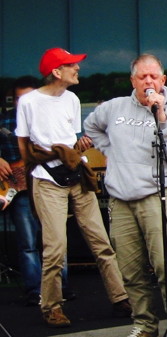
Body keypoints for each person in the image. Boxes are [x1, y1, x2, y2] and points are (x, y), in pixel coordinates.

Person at [14, 47, 131, 328]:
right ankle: (51, 307)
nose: (77, 69)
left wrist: (77, 148)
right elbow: (24, 145)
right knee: (55, 248)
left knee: (101, 242)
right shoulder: (28, 102)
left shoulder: (73, 99)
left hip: (77, 175)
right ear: (56, 72)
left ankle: (120, 298)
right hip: (47, 180)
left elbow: (70, 138)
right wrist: (48, 160)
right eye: (71, 65)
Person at [84, 54, 167, 337]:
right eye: (142, 77)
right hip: (121, 199)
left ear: (163, 80)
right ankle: (144, 324)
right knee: (130, 269)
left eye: (153, 76)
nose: (148, 82)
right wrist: (110, 150)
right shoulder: (114, 108)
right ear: (132, 80)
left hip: (158, 194)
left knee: (165, 265)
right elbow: (91, 127)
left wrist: (162, 117)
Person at [0, 76, 76, 306]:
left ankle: (60, 287)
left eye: (27, 98)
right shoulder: (4, 120)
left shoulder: (51, 116)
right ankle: (35, 290)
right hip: (20, 190)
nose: (23, 103)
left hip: (50, 184)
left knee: (55, 240)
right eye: (18, 99)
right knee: (28, 242)